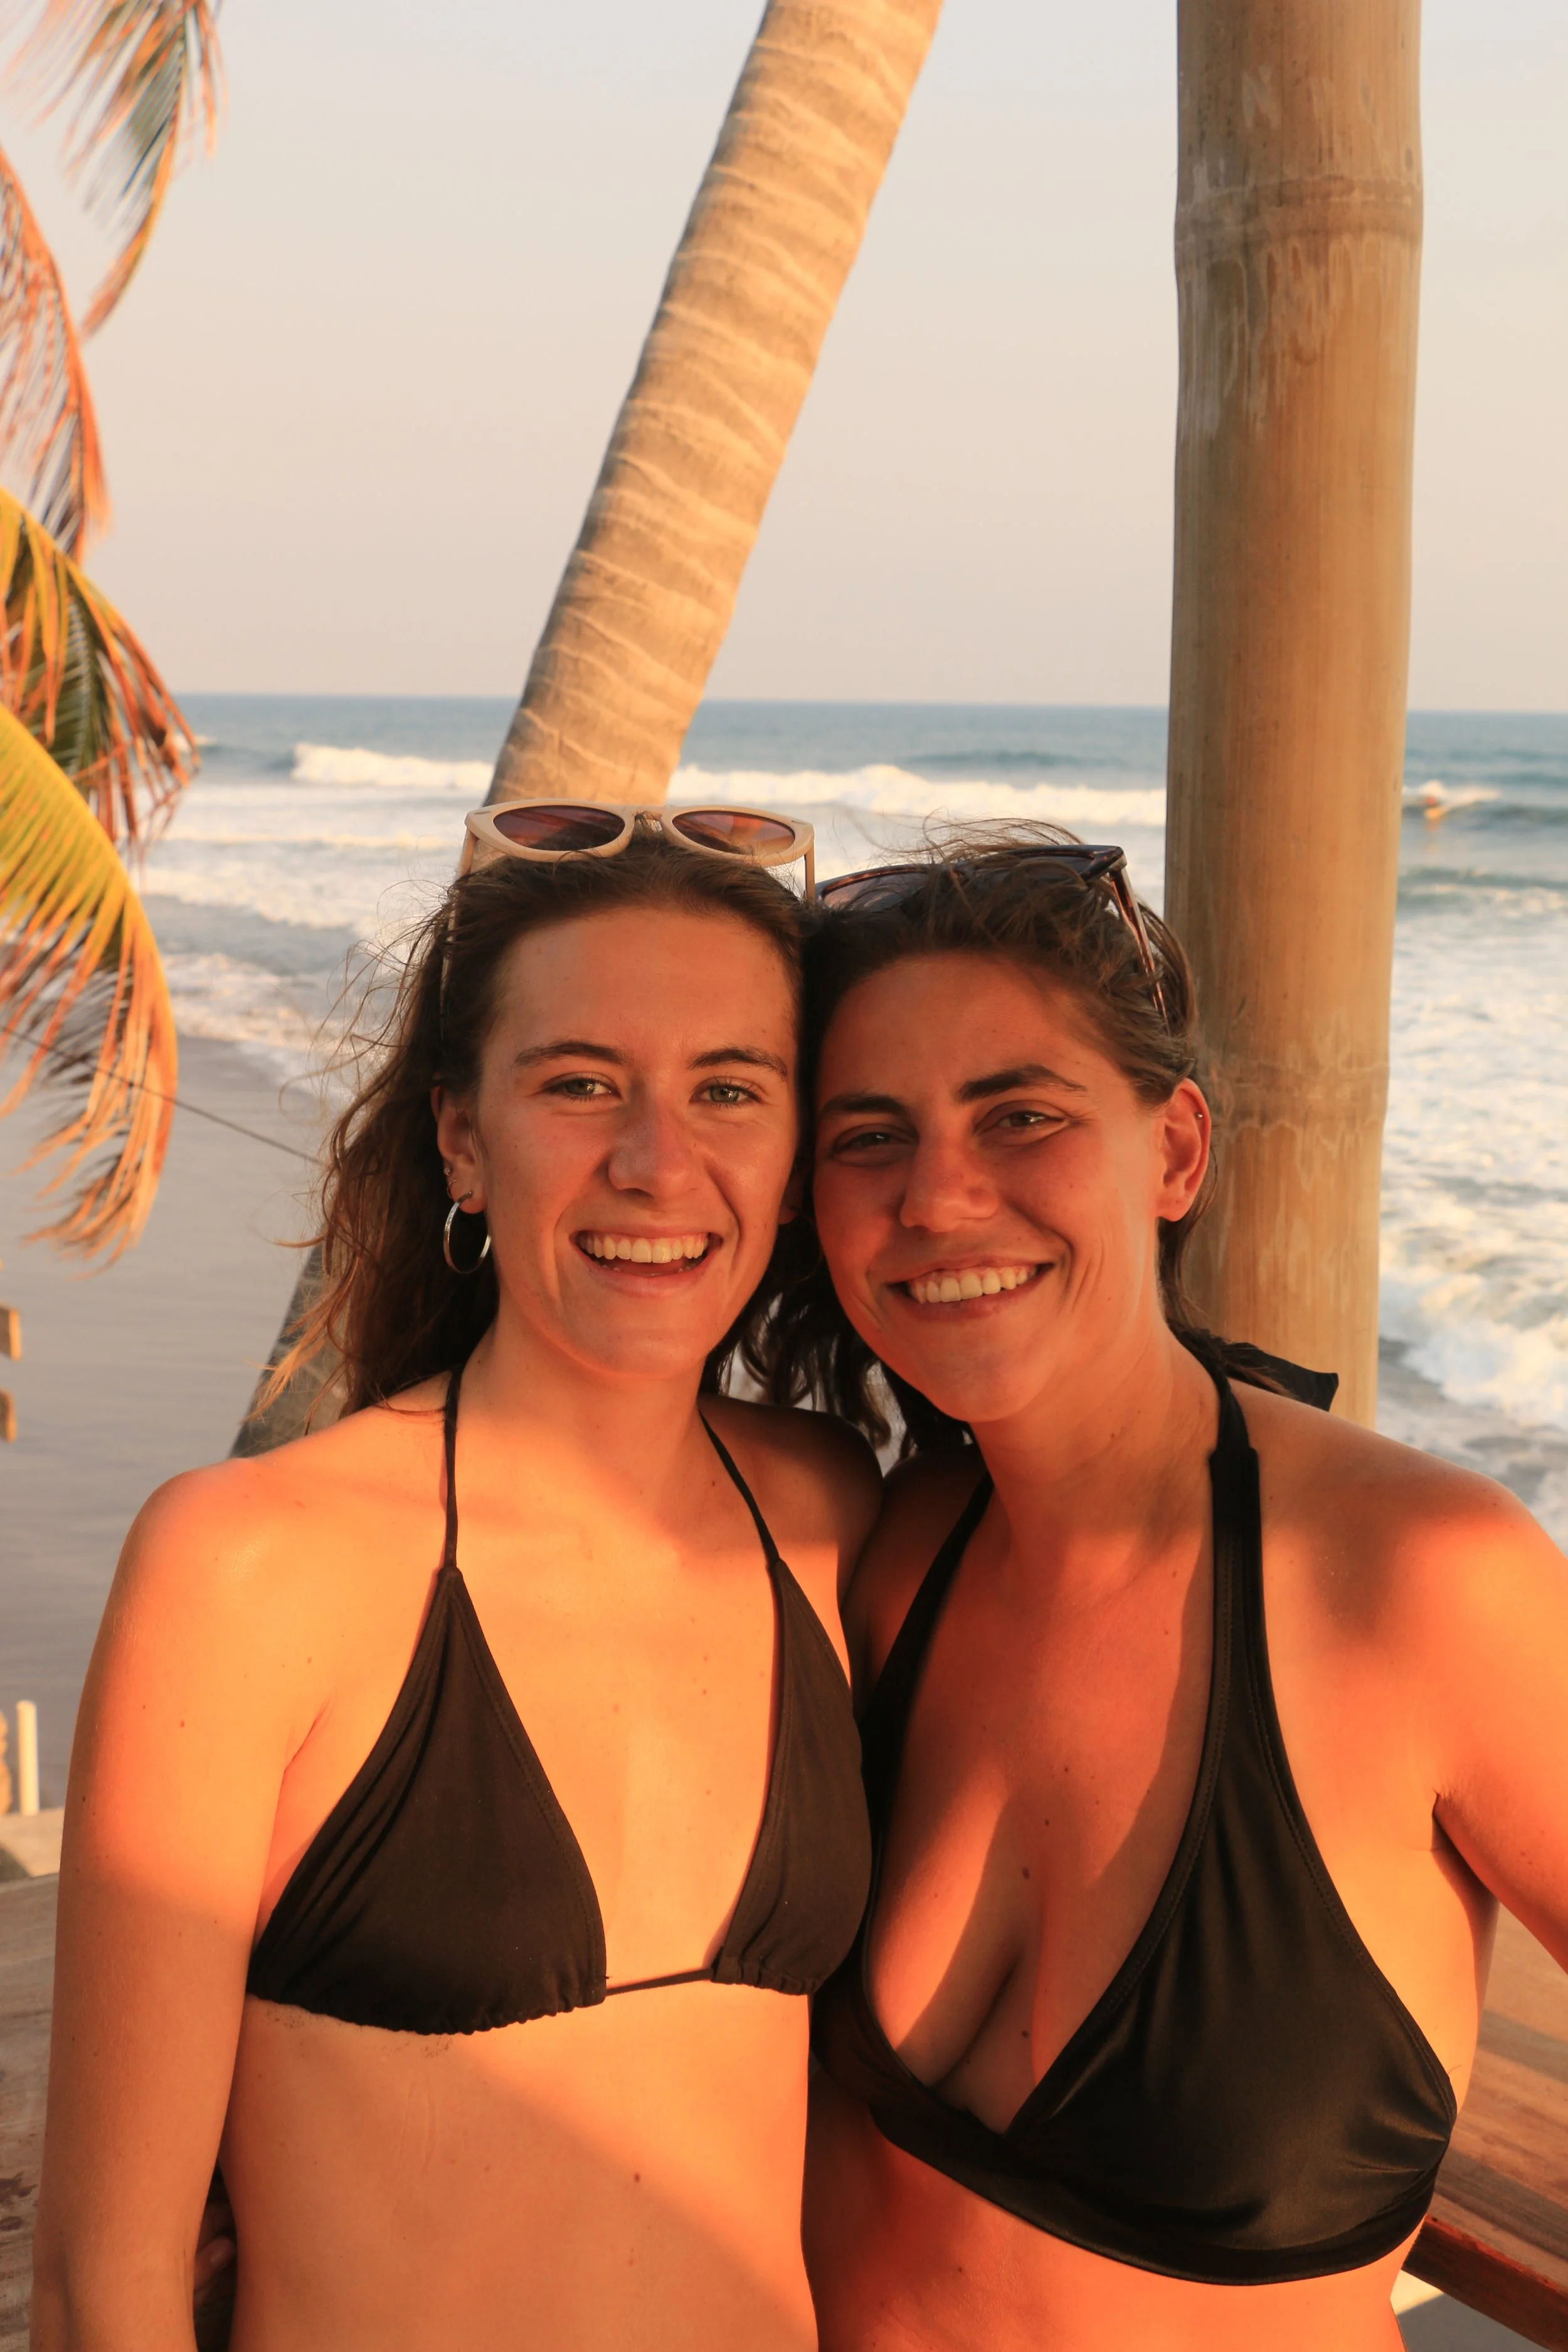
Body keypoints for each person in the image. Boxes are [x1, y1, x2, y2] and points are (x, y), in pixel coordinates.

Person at [32, 808, 879, 2352]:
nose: (655, 1161)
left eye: (729, 1089)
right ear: (461, 1138)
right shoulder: (252, 1568)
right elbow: (108, 2277)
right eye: (579, 1086)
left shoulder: (827, 1512)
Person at [758, 832, 1568, 2352]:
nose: (937, 1195)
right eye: (868, 1136)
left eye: (1019, 1115)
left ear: (1175, 1152)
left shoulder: (1419, 1583)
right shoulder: (887, 1558)